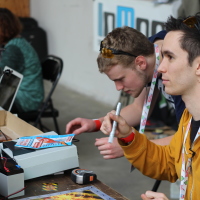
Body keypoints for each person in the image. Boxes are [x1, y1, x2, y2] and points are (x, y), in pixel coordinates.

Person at [101, 13, 200, 199]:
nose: (160, 68)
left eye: (170, 57)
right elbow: (170, 162)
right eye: (162, 56)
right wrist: (128, 137)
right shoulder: (189, 118)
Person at [66, 27, 183, 159]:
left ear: (140, 63)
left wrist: (132, 146)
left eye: (120, 79)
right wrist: (96, 123)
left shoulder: (181, 72)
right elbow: (138, 109)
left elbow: (189, 138)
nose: (118, 87)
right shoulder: (149, 53)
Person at [0, 8, 44, 113]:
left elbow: (3, 75)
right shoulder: (18, 42)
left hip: (25, 99)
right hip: (20, 93)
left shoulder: (14, 49)